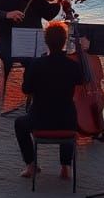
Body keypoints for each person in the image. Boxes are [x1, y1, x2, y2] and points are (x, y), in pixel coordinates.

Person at [14, 21, 84, 179]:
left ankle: (31, 165)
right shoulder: (72, 66)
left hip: (40, 120)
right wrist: (82, 51)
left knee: (20, 123)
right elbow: (82, 80)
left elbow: (26, 90)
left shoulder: (36, 64)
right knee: (72, 115)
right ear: (65, 42)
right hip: (66, 121)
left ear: (45, 42)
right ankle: (65, 167)